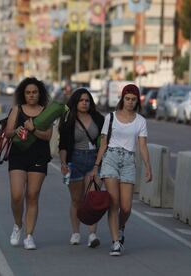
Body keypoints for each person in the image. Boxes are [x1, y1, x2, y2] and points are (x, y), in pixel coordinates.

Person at [91, 83, 152, 256]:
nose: (130, 102)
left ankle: (121, 226)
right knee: (114, 202)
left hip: (128, 162)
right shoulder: (110, 117)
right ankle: (115, 241)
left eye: (133, 99)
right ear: (122, 99)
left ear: (137, 101)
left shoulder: (141, 121)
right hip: (110, 158)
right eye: (127, 99)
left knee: (126, 208)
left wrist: (148, 167)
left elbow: (142, 146)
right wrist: (96, 166)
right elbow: (103, 143)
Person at [5, 77, 52, 250]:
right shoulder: (17, 109)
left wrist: (34, 130)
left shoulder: (46, 111)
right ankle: (18, 225)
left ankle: (29, 235)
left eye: (34, 92)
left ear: (40, 94)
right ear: (23, 94)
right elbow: (7, 132)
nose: (31, 95)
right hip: (18, 156)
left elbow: (47, 136)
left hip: (39, 156)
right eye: (28, 93)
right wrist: (16, 130)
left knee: (32, 195)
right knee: (17, 195)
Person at [58, 88, 104, 248]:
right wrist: (63, 163)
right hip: (75, 160)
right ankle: (76, 233)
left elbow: (104, 141)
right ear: (75, 102)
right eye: (81, 100)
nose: (84, 103)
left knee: (93, 200)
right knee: (77, 199)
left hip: (94, 161)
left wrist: (99, 164)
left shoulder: (98, 118)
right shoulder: (68, 119)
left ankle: (92, 235)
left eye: (87, 100)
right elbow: (63, 145)